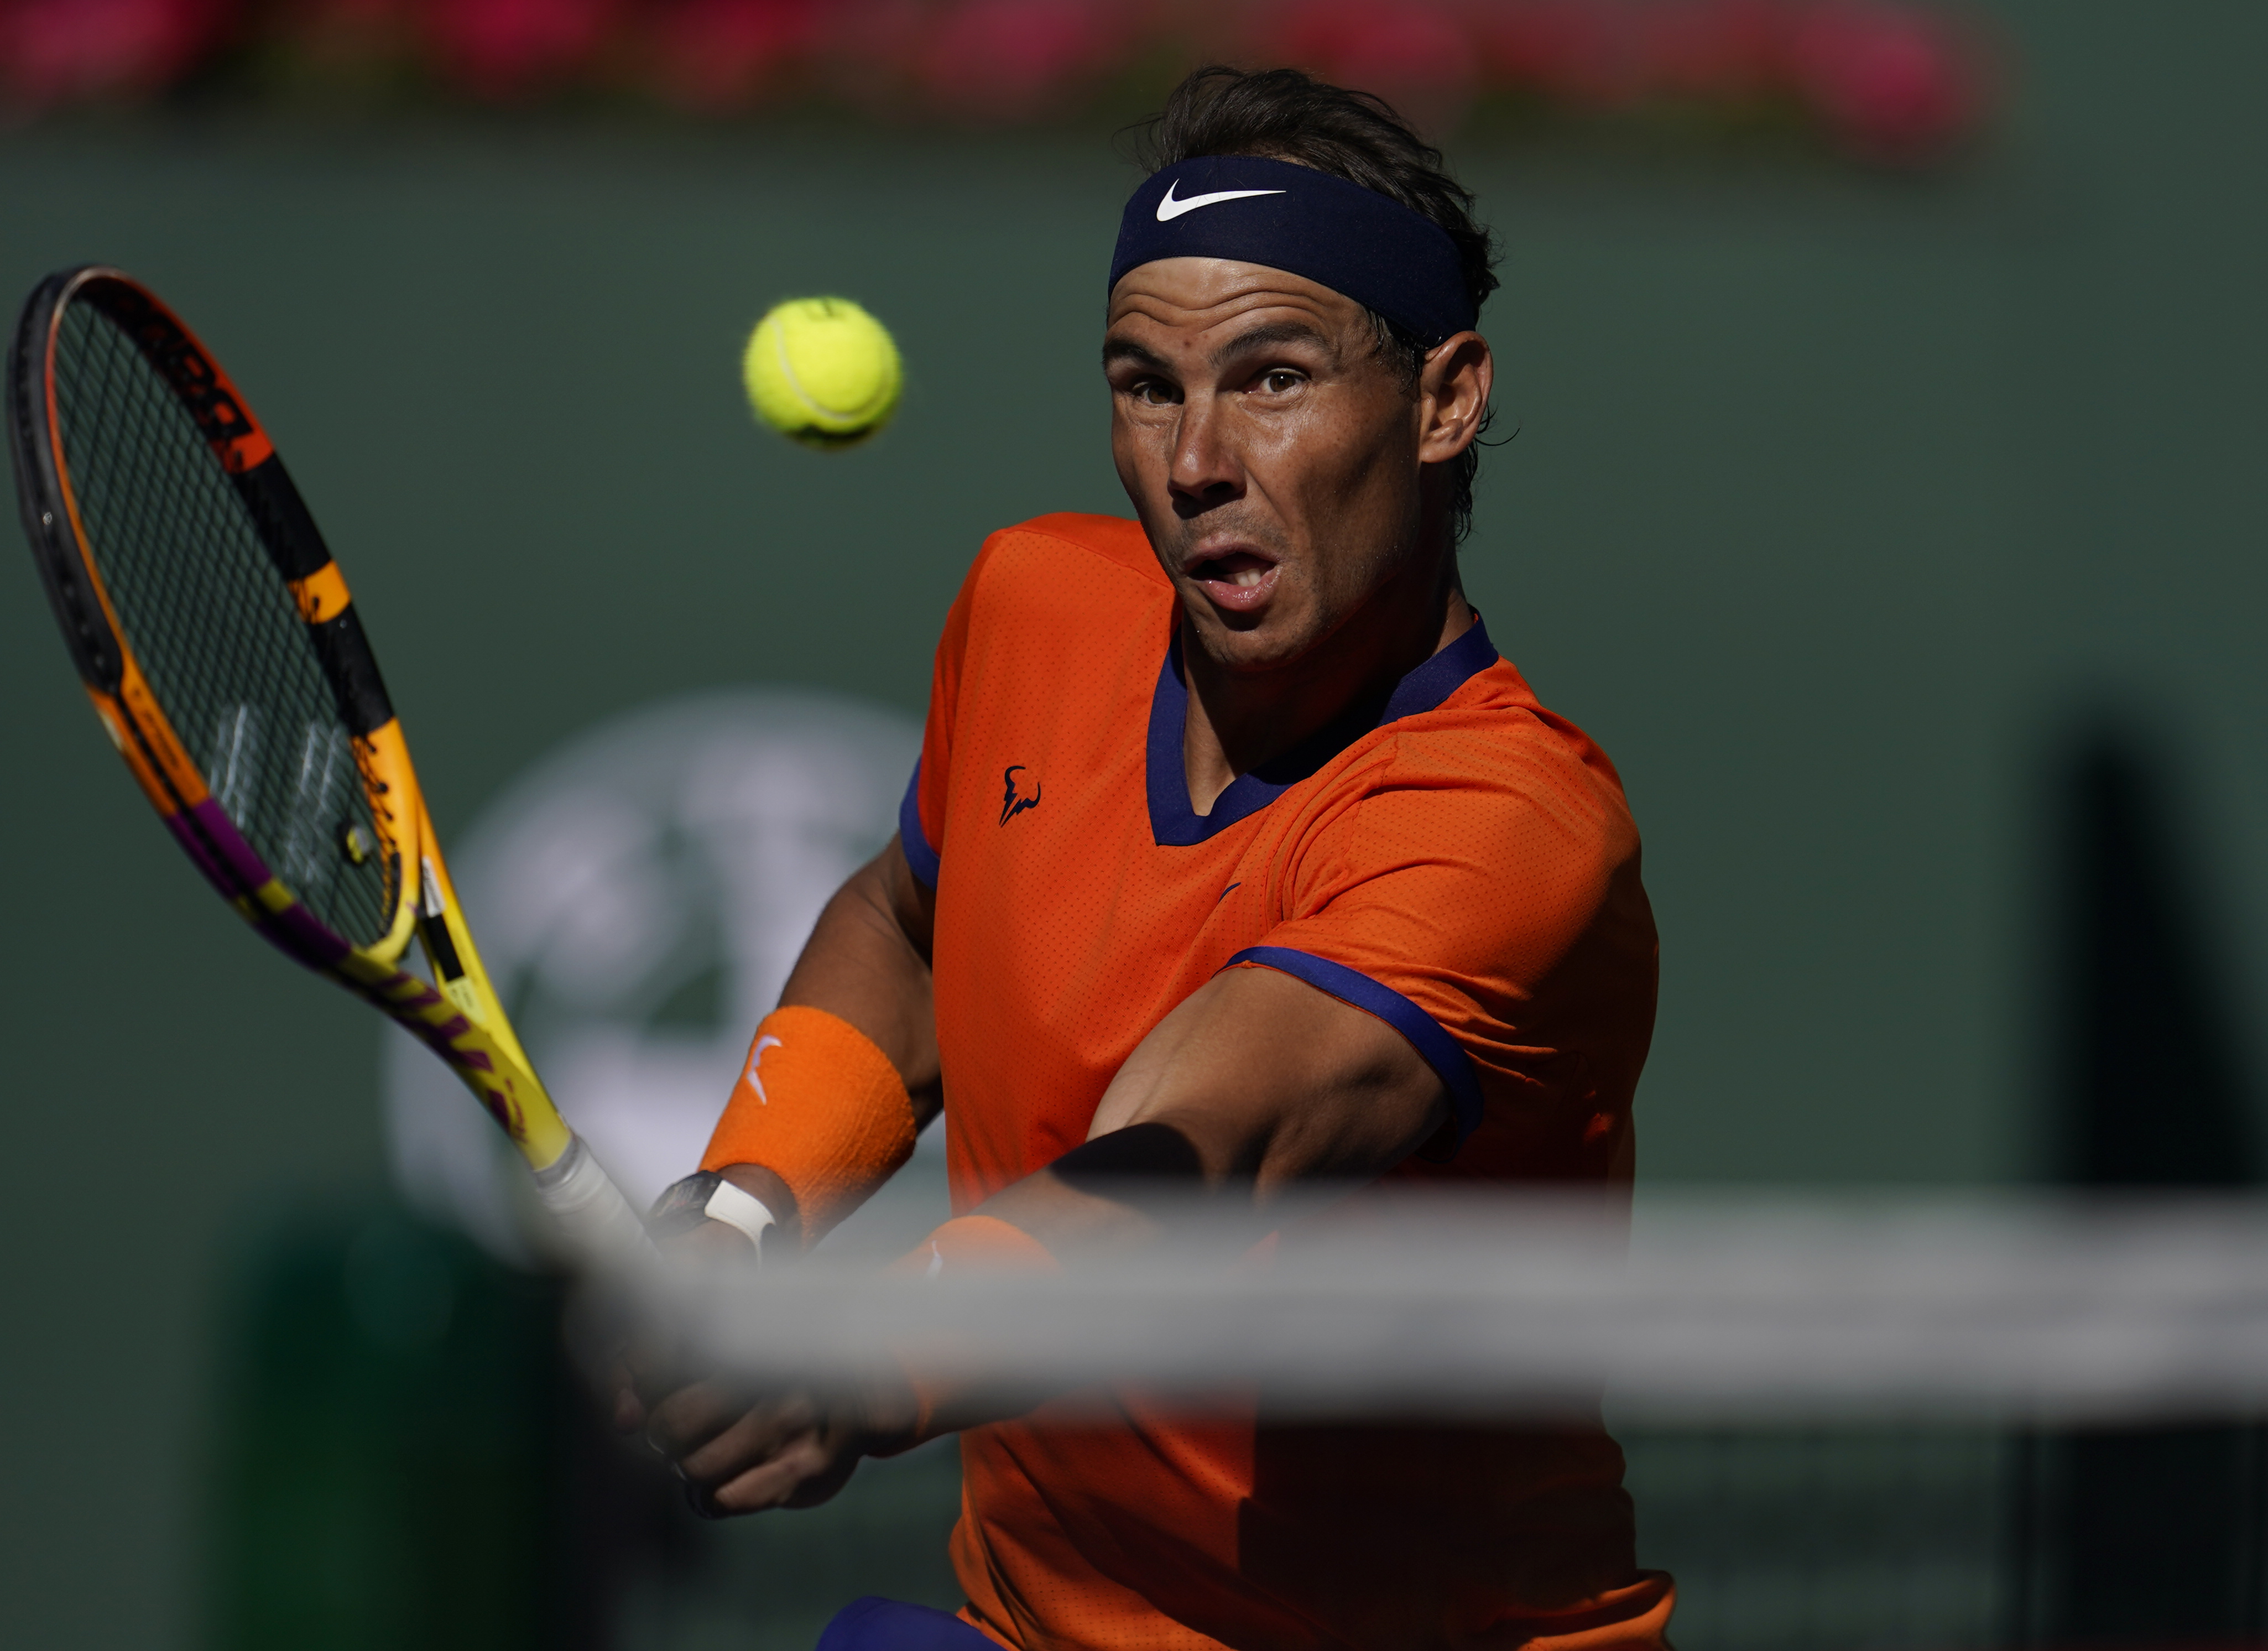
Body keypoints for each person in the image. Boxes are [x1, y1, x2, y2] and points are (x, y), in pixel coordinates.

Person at [624, 65, 1673, 1651]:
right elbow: (912, 929)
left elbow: (1197, 1157)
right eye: (1143, 383)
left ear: (1445, 398)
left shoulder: (1514, 822)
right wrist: (753, 1209)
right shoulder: (1034, 605)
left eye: (1272, 379)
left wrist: (863, 1359)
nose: (1195, 460)